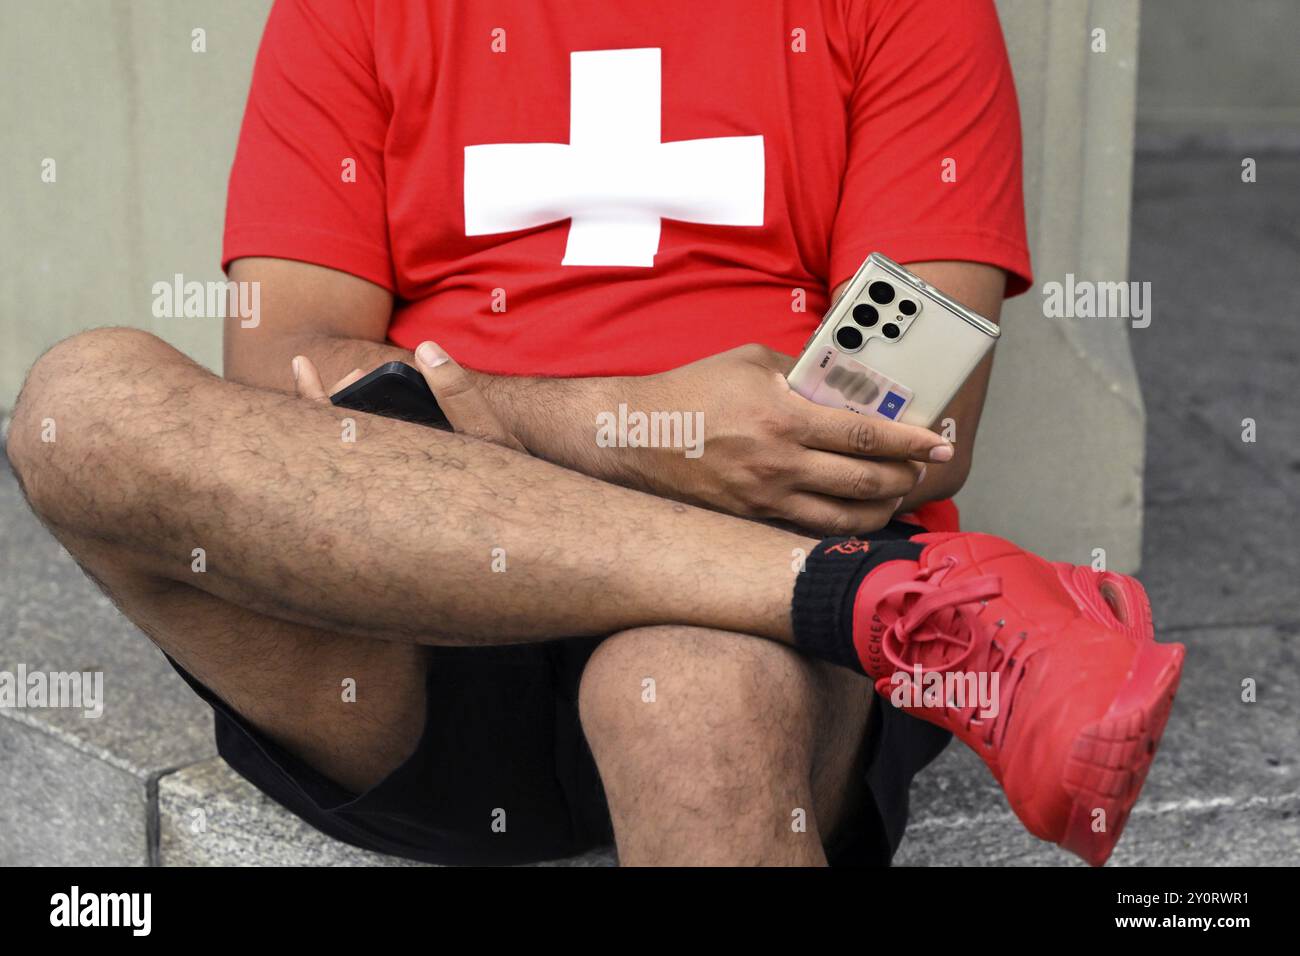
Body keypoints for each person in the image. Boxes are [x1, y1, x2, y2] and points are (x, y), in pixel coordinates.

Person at [6, 0, 1181, 866]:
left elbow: (901, 419)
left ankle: (838, 604)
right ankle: (886, 605)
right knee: (79, 404)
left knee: (691, 696)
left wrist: (470, 409)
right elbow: (286, 378)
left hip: (731, 610)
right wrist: (625, 429)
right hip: (398, 610)